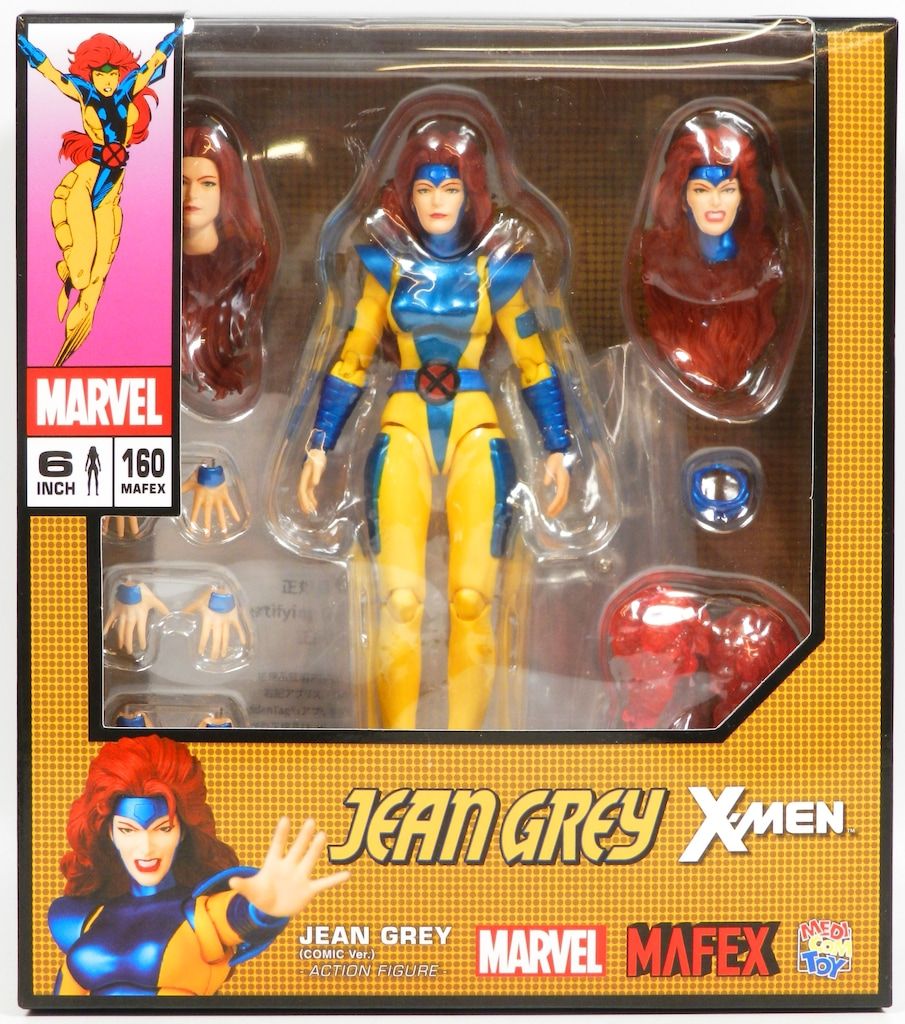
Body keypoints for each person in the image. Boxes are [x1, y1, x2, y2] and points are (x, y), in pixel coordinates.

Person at [298, 113, 572, 730]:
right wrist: (319, 443)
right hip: (404, 425)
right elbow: (351, 358)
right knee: (399, 600)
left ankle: (463, 745)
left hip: (477, 427)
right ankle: (398, 744)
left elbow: (534, 360)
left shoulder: (499, 269)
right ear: (408, 195)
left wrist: (559, 446)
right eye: (424, 189)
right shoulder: (385, 268)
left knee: (473, 600)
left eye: (450, 188)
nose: (437, 201)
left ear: (471, 193)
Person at [48, 735, 349, 995]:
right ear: (110, 833)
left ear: (182, 832)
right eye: (128, 830)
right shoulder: (80, 919)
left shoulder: (198, 913)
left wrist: (264, 907)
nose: (146, 847)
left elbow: (235, 915)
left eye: (163, 828)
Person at [18, 28, 181, 366]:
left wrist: (175, 36)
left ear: (118, 74)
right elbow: (51, 73)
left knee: (95, 281)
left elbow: (155, 62)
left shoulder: (128, 89)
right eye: (99, 75)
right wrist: (24, 45)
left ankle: (68, 349)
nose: (106, 81)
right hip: (85, 183)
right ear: (90, 75)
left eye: (111, 75)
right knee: (81, 273)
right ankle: (68, 268)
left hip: (111, 192)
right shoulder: (84, 94)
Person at [639, 110, 783, 393]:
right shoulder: (663, 266)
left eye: (727, 190)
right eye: (702, 190)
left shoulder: (761, 262)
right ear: (683, 200)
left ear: (742, 199)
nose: (715, 202)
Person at [182, 115, 276, 404]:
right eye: (182, 182)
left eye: (207, 183)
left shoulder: (245, 264)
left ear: (226, 190)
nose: (192, 194)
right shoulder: (152, 265)